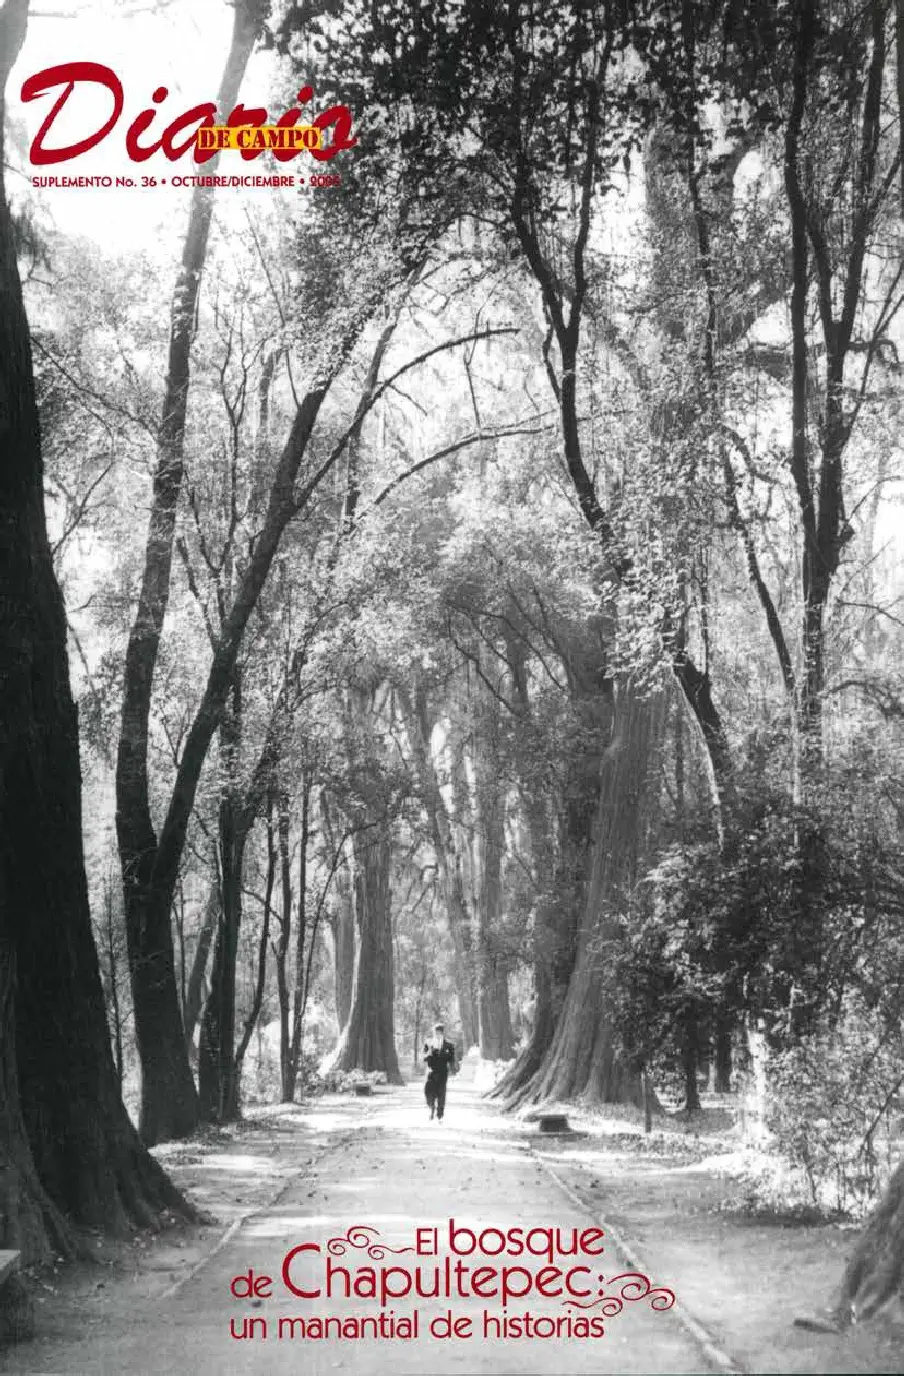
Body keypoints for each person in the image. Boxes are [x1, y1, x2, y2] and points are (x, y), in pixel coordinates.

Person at [423, 1021, 456, 1122]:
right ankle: (431, 1107)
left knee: (441, 1094)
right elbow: (424, 1057)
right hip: (431, 1072)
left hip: (442, 1073)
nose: (437, 1034)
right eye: (436, 1032)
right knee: (429, 1092)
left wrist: (452, 1067)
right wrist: (429, 1054)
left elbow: (451, 1059)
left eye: (439, 1032)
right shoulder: (428, 1043)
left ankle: (440, 1115)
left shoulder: (449, 1045)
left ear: (442, 1033)